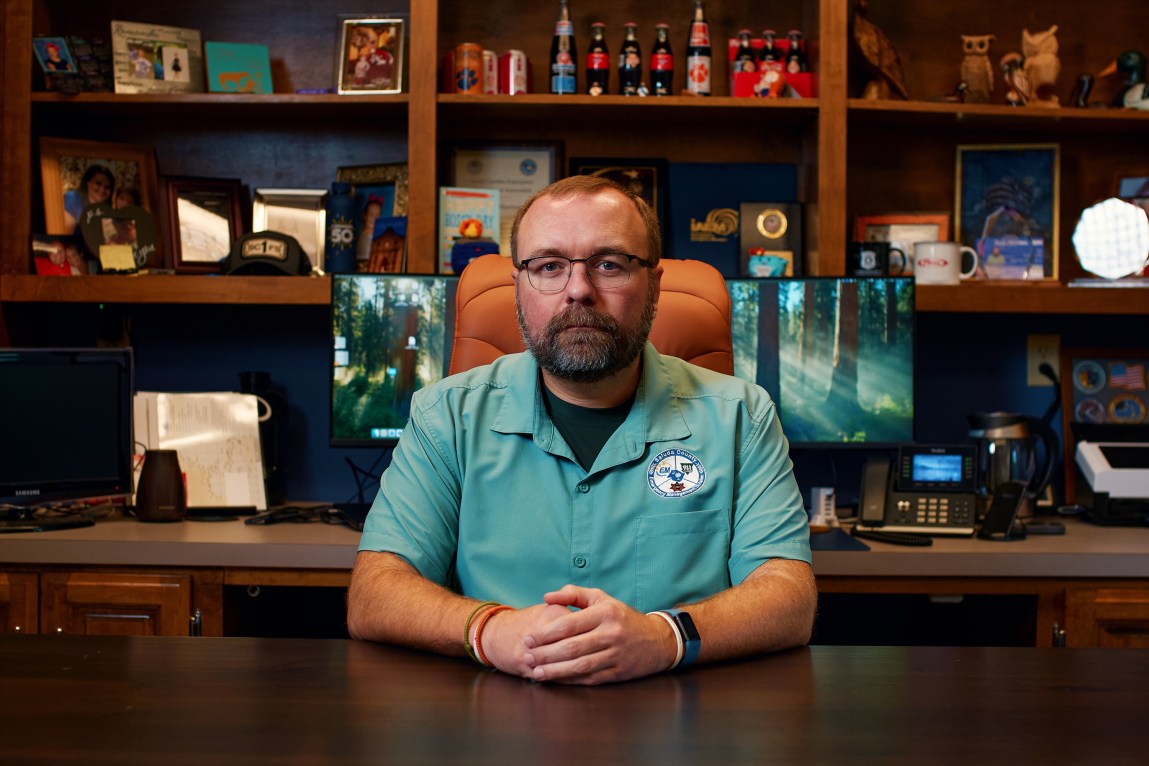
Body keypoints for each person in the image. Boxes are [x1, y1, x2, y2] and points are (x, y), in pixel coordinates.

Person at [347, 175, 816, 685]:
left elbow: (788, 596)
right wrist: (490, 630)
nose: (578, 290)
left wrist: (664, 636)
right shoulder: (446, 416)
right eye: (549, 266)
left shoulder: (740, 417)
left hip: (681, 729)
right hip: (493, 727)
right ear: (519, 286)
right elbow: (375, 593)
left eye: (609, 264)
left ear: (654, 286)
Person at [63, 164, 114, 234]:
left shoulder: (106, 208)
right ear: (88, 183)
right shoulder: (73, 198)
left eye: (107, 187)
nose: (102, 190)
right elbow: (66, 234)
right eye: (98, 183)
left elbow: (110, 237)